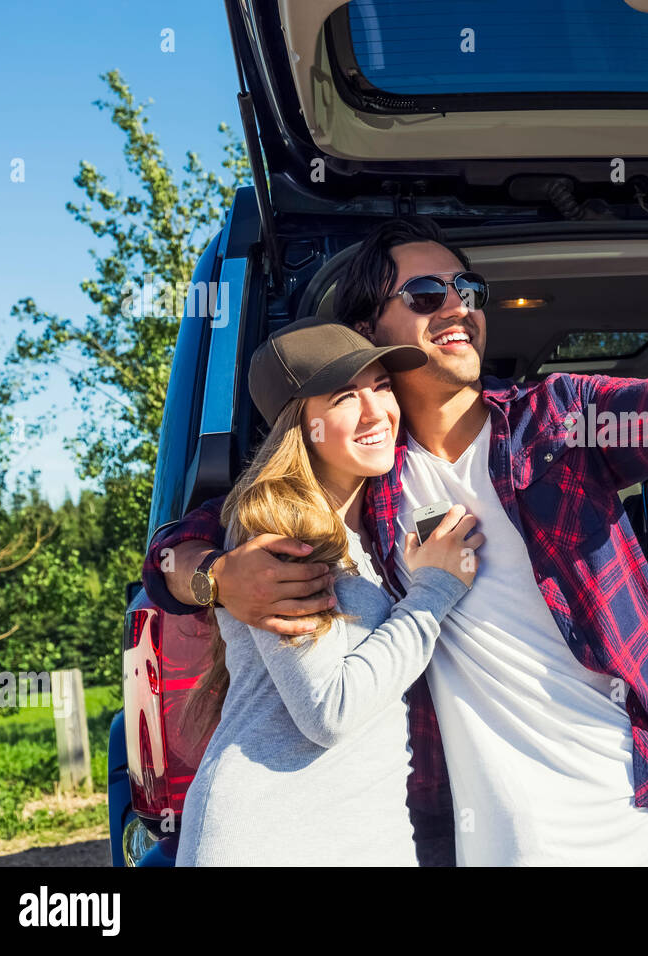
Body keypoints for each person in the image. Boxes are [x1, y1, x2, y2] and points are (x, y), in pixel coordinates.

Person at [146, 135, 648, 866]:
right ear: (367, 335)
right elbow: (200, 535)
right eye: (425, 296)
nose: (458, 307)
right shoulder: (363, 477)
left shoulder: (561, 420)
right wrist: (212, 577)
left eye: (467, 291)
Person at [175, 317, 484, 866]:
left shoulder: (373, 528)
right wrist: (434, 591)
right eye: (344, 397)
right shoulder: (279, 527)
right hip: (270, 840)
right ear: (301, 426)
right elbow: (330, 710)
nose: (376, 413)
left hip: (366, 834)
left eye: (382, 387)